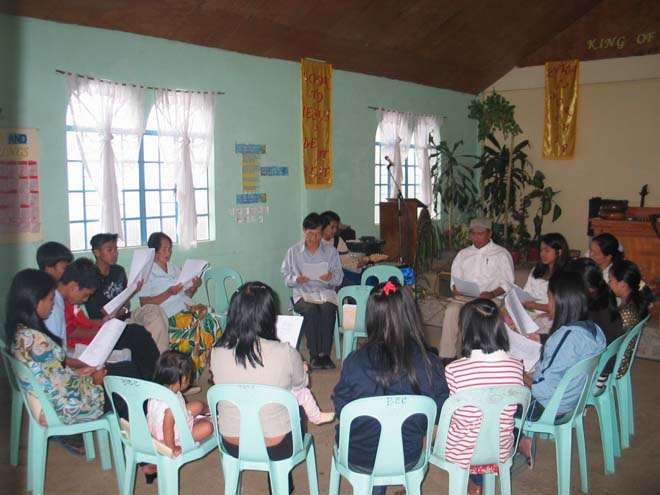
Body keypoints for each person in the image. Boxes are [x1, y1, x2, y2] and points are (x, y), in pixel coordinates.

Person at [333, 281, 449, 495]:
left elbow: (342, 409)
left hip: (358, 454)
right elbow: (439, 414)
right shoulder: (430, 363)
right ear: (410, 315)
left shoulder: (354, 361)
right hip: (408, 455)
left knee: (369, 433)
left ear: (370, 316)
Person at [211, 282, 313, 493]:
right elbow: (301, 384)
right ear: (268, 315)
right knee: (296, 405)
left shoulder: (216, 351)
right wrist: (301, 367)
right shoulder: (285, 351)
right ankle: (280, 482)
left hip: (231, 441)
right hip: (277, 444)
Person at [517, 271, 606, 466]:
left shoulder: (563, 338)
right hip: (575, 400)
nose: (548, 304)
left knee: (497, 398)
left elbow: (541, 389)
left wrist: (520, 374)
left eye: (549, 298)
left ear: (561, 302)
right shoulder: (595, 331)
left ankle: (518, 441)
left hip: (549, 406)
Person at [444, 298, 524, 495]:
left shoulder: (454, 369)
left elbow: (456, 417)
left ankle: (474, 481)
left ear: (465, 330)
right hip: (501, 447)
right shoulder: (516, 366)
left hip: (462, 452)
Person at [139, 232, 222, 381]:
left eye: (169, 249)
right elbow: (144, 303)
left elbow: (184, 296)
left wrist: (193, 288)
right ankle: (202, 371)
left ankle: (198, 371)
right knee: (207, 318)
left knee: (210, 320)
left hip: (187, 309)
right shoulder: (147, 273)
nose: (168, 253)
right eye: (164, 249)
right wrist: (168, 293)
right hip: (169, 315)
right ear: (154, 250)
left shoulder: (174, 268)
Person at [62, 258, 160, 381]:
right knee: (136, 336)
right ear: (74, 287)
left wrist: (102, 322)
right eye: (85, 295)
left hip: (97, 337)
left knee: (137, 333)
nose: (85, 300)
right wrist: (101, 331)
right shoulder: (60, 304)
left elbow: (85, 323)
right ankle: (156, 381)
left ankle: (155, 380)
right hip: (92, 345)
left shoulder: (69, 301)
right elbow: (71, 332)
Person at [439, 218, 514, 360]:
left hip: (489, 299)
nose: (476, 237)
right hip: (465, 297)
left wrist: (491, 293)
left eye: (480, 234)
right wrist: (455, 288)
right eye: (473, 233)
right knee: (451, 311)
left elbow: (508, 282)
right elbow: (455, 278)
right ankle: (447, 356)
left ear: (489, 234)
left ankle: (472, 357)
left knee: (476, 314)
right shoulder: (463, 254)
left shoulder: (501, 254)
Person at [85, 233, 170, 352]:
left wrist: (133, 291)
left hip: (125, 315)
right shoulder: (90, 277)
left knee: (155, 310)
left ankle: (159, 359)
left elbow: (126, 302)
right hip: (107, 324)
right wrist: (118, 312)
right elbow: (97, 312)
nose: (115, 253)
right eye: (109, 250)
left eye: (116, 249)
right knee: (142, 328)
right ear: (97, 252)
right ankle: (156, 360)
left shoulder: (118, 271)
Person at [281, 212, 343, 369]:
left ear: (322, 232)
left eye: (317, 234)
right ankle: (315, 355)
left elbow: (339, 276)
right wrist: (296, 279)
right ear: (304, 230)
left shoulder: (330, 251)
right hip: (302, 294)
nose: (314, 238)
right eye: (310, 234)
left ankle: (325, 355)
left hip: (325, 293)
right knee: (311, 311)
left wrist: (331, 277)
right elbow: (286, 277)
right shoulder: (293, 252)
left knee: (328, 309)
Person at [146, 351, 213, 475]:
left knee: (198, 405)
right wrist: (171, 448)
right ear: (182, 379)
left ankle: (202, 415)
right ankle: (200, 421)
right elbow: (168, 429)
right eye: (189, 377)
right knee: (208, 428)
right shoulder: (170, 407)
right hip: (174, 435)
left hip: (163, 426)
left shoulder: (157, 391)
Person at [565, 258, 624, 344]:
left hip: (598, 353)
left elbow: (572, 338)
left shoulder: (591, 310)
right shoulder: (604, 295)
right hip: (608, 351)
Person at [320, 210, 387, 286]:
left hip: (340, 276)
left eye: (336, 227)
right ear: (322, 226)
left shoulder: (338, 241)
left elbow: (348, 263)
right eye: (332, 227)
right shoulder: (313, 241)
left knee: (370, 278)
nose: (335, 230)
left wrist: (366, 260)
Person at [37, 241, 74, 350]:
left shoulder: (55, 294)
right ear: (49, 269)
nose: (68, 273)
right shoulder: (48, 302)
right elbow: (54, 349)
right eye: (64, 268)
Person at [522, 233, 570, 313]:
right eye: (541, 250)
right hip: (529, 311)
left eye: (547, 251)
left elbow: (559, 307)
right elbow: (526, 291)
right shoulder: (537, 269)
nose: (542, 254)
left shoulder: (565, 275)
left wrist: (533, 305)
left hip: (550, 316)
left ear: (559, 252)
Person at [609, 259, 653, 329]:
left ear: (623, 284)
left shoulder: (626, 313)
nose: (609, 283)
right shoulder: (632, 302)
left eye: (610, 280)